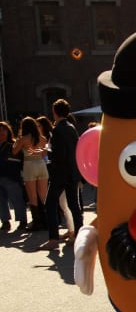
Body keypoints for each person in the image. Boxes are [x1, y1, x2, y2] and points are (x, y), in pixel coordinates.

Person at [42, 99, 83, 249]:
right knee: (74, 205)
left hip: (60, 173)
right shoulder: (72, 127)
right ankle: (79, 235)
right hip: (72, 172)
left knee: (50, 204)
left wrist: (47, 154)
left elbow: (59, 154)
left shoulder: (58, 130)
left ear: (54, 112)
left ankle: (53, 239)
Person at [12, 116, 48, 231]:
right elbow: (44, 154)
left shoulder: (23, 139)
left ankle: (37, 223)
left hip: (29, 165)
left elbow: (14, 151)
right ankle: (46, 221)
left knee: (32, 196)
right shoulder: (42, 138)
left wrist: (17, 140)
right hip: (41, 164)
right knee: (43, 195)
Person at [0, 121, 27, 231]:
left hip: (12, 177)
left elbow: (20, 162)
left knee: (17, 200)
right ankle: (5, 222)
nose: (1, 132)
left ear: (8, 131)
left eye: (3, 130)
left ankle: (22, 221)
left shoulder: (14, 145)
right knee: (1, 201)